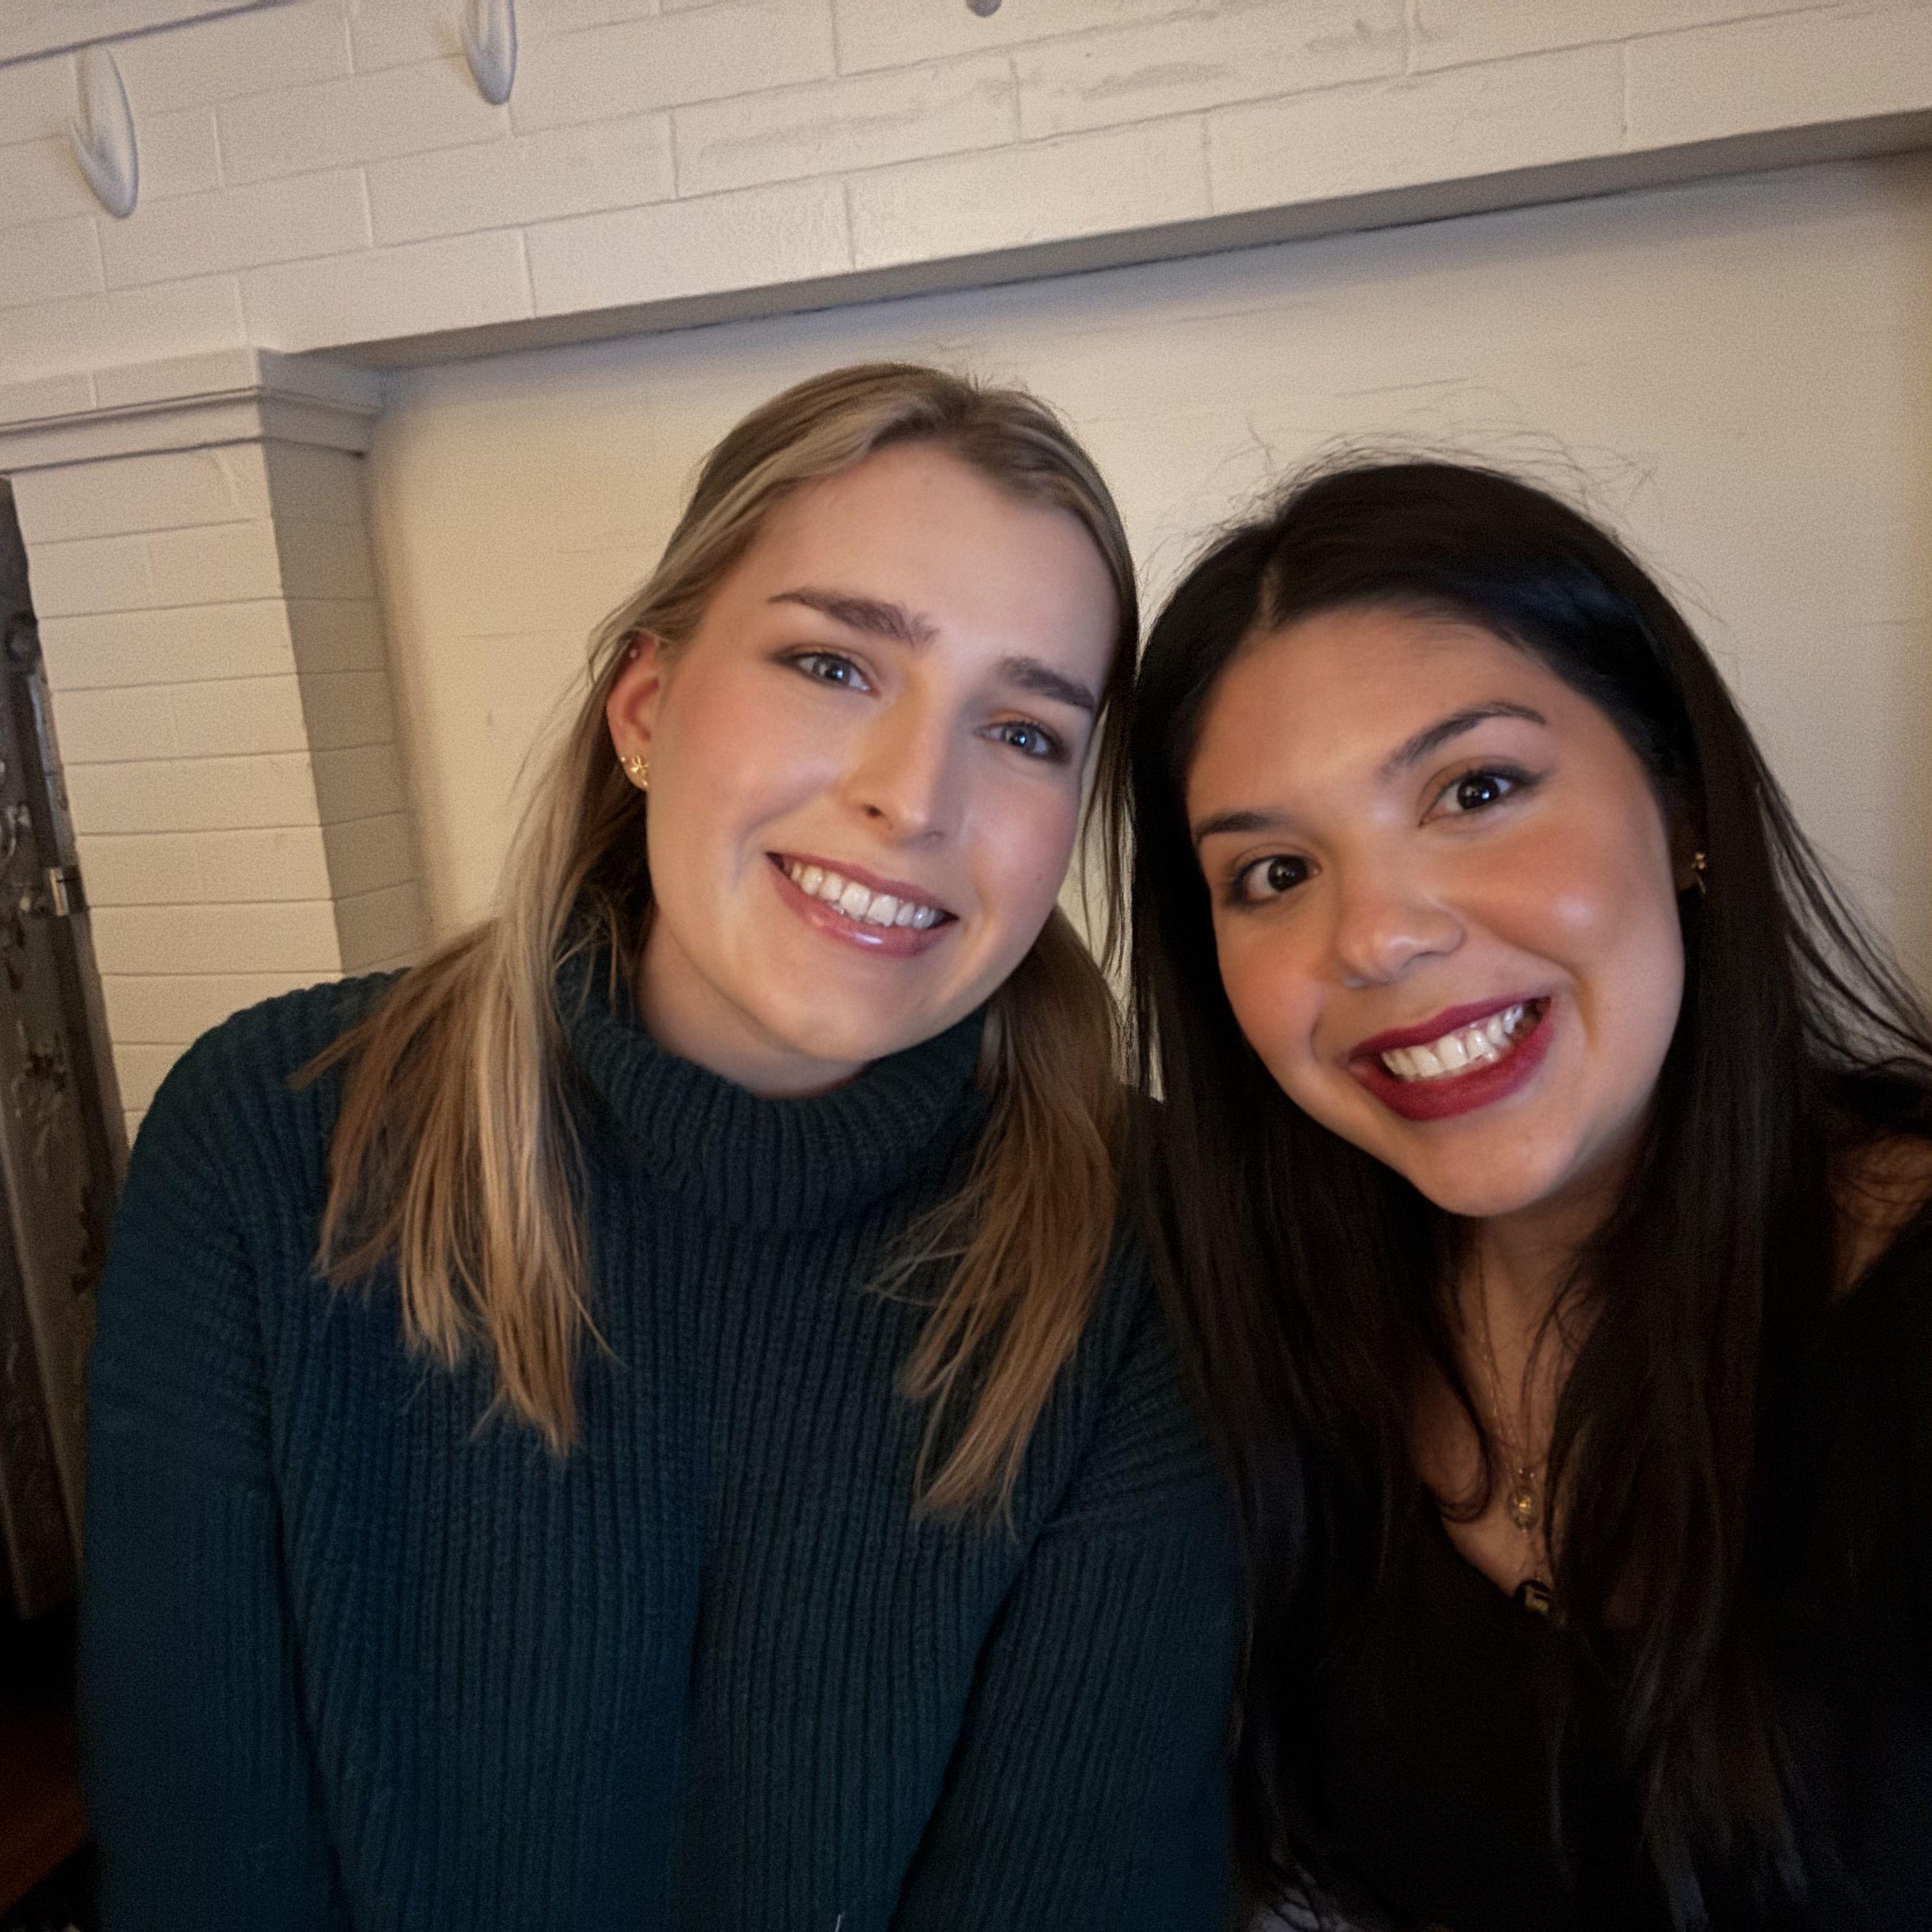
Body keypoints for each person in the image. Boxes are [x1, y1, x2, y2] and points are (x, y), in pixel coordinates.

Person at [81, 363, 1239, 1930]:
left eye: (1025, 731)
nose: (916, 798)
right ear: (645, 708)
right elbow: (203, 1853)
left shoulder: (1145, 1238)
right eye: (833, 664)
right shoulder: (271, 1136)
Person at [1126, 458, 1932, 1930]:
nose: (1377, 938)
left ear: (1680, 801)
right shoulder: (1251, 1329)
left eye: (1477, 790)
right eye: (1276, 873)